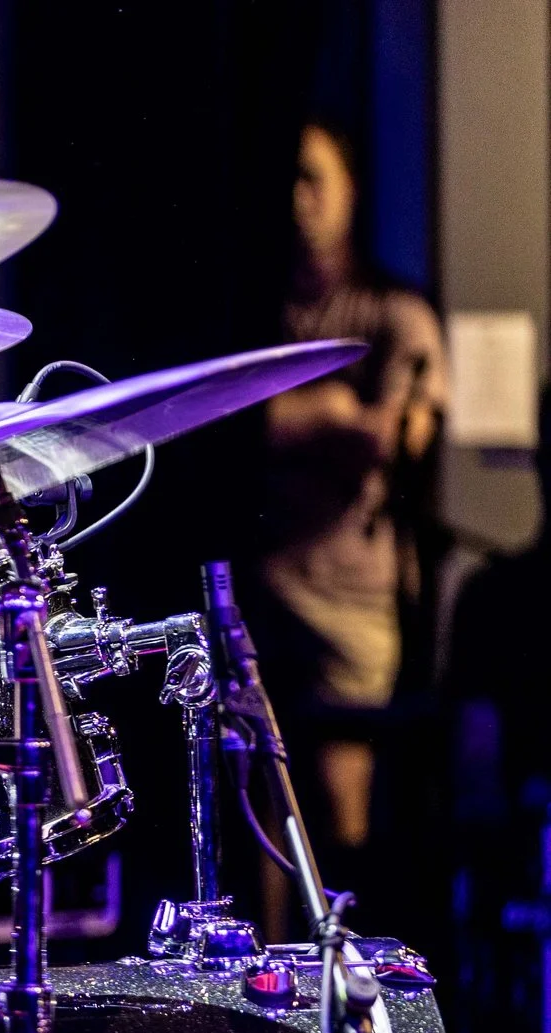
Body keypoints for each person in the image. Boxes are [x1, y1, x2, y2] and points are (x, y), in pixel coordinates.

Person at [256, 118, 446, 907]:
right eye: (290, 180)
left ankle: (353, 1002)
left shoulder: (395, 310)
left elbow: (398, 435)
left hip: (353, 598)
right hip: (266, 586)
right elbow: (245, 427)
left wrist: (320, 415)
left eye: (316, 178)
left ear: (351, 190)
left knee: (345, 812)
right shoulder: (262, 309)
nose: (301, 200)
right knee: (263, 807)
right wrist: (335, 406)